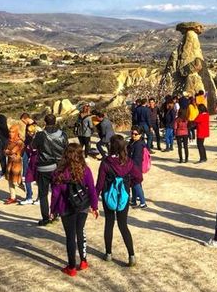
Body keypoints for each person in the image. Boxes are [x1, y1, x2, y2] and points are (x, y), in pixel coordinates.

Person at [50, 143, 99, 277]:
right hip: (82, 205)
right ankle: (83, 261)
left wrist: (52, 210)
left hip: (65, 207)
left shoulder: (59, 172)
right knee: (80, 231)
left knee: (70, 236)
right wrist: (94, 206)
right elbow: (92, 189)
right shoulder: (85, 170)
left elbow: (55, 194)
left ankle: (71, 267)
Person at [96, 135, 139, 267]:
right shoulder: (129, 162)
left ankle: (108, 253)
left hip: (108, 195)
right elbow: (139, 177)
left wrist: (93, 200)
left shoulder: (105, 163)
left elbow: (99, 183)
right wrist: (128, 185)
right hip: (123, 196)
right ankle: (131, 255)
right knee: (123, 225)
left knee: (109, 223)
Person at [32, 114, 69, 226]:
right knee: (57, 191)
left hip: (43, 167)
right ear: (55, 121)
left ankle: (45, 218)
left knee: (43, 194)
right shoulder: (63, 134)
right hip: (59, 167)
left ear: (45, 122)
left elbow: (33, 146)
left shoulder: (40, 135)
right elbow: (67, 149)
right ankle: (55, 213)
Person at [4, 124, 25, 204]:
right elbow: (5, 151)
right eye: (10, 132)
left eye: (12, 132)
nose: (10, 133)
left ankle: (28, 192)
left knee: (16, 181)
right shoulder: (9, 140)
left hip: (17, 163)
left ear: (16, 132)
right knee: (9, 180)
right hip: (9, 162)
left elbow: (13, 151)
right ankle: (13, 197)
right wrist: (8, 152)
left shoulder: (19, 142)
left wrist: (8, 152)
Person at [128, 126, 148, 208]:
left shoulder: (139, 144)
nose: (133, 135)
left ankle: (143, 202)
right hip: (134, 167)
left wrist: (130, 166)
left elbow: (136, 158)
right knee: (134, 184)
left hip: (135, 167)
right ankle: (133, 200)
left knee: (136, 184)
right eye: (132, 133)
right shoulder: (134, 142)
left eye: (135, 134)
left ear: (140, 135)